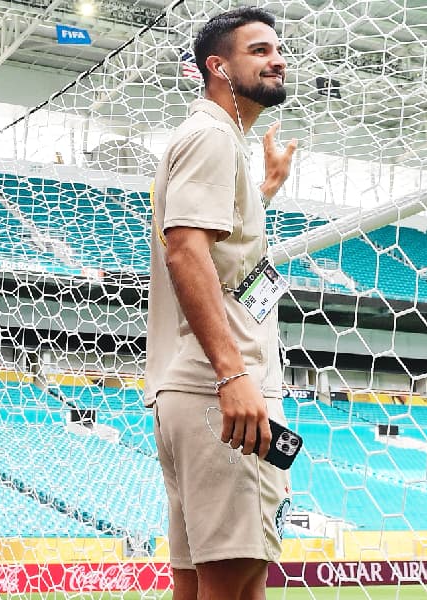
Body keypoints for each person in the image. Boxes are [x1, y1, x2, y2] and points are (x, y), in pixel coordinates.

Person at [144, 6, 297, 600]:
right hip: (224, 393)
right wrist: (234, 375)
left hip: (193, 391)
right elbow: (186, 252)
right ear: (218, 67)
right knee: (236, 585)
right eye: (259, 50)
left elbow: (215, 239)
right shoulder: (210, 136)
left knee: (206, 585)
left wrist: (265, 190)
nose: (277, 59)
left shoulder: (213, 140)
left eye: (277, 50)